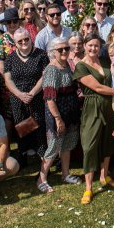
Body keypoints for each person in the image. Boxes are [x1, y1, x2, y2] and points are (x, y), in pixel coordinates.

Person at [74, 33, 114, 204]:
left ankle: (104, 175)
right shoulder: (81, 66)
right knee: (89, 145)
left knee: (108, 141)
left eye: (96, 45)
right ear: (84, 46)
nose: (93, 48)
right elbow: (97, 87)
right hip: (92, 106)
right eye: (90, 45)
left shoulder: (105, 61)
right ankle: (88, 188)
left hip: (109, 105)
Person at [1, 28, 48, 174]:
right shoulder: (10, 58)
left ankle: (43, 160)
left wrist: (33, 92)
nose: (24, 43)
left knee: (39, 126)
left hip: (37, 95)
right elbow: (7, 79)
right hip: (18, 98)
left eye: (26, 39)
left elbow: (45, 75)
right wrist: (20, 94)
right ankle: (23, 157)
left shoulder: (41, 54)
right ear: (15, 43)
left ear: (30, 38)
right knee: (22, 127)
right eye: (19, 41)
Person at [38, 37, 81, 192]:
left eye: (66, 48)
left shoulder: (67, 66)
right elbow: (49, 98)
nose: (64, 51)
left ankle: (65, 174)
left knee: (67, 144)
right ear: (52, 52)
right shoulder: (51, 70)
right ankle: (41, 179)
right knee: (54, 146)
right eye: (60, 49)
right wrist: (58, 119)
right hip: (57, 114)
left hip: (70, 112)